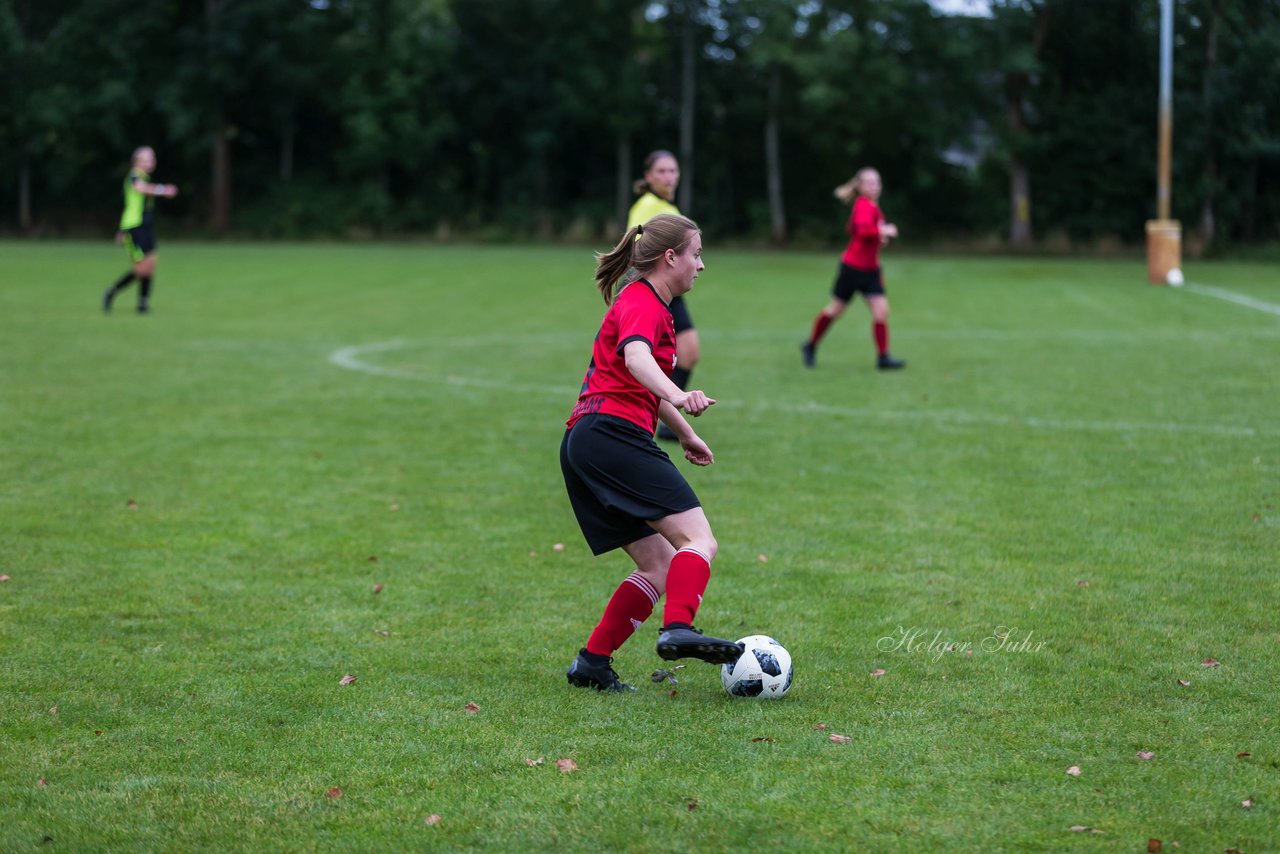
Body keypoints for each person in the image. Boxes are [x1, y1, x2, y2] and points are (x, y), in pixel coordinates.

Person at [561, 213, 743, 692]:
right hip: (613, 436)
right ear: (670, 258)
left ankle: (592, 664)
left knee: (659, 564)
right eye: (696, 254)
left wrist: (683, 431)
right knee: (699, 540)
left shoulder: (648, 305)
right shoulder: (643, 301)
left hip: (588, 441)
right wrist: (682, 394)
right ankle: (678, 627)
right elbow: (636, 359)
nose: (700, 265)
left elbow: (642, 384)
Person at [627, 151, 700, 440]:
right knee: (649, 356)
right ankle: (659, 415)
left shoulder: (665, 205)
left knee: (688, 352)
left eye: (673, 171)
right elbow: (638, 248)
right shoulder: (647, 207)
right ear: (648, 176)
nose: (669, 177)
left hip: (670, 291)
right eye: (662, 171)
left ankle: (666, 417)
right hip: (655, 289)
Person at [801, 167, 905, 370]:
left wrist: (879, 237)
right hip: (853, 269)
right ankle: (810, 345)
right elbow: (862, 229)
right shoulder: (863, 205)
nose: (875, 186)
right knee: (835, 310)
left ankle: (883, 357)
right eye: (870, 183)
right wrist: (884, 230)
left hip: (871, 270)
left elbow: (853, 229)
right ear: (860, 186)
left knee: (881, 312)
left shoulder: (872, 206)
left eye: (877, 182)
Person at [102, 146, 178, 314]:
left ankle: (142, 304)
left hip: (146, 227)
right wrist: (163, 190)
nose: (149, 162)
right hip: (133, 228)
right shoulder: (134, 176)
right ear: (136, 162)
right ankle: (111, 292)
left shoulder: (144, 177)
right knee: (141, 268)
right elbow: (139, 188)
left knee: (150, 264)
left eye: (151, 159)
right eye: (145, 159)